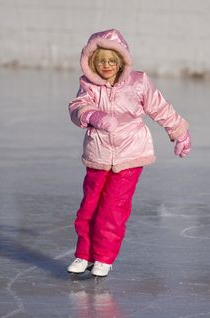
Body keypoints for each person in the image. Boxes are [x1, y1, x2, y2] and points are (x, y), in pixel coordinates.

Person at [67, 29, 191, 277]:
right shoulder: (88, 84)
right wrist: (94, 116)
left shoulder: (138, 82)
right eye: (101, 61)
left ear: (122, 61)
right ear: (92, 62)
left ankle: (103, 257)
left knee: (113, 208)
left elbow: (160, 108)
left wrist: (179, 133)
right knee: (88, 208)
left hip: (131, 154)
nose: (107, 66)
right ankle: (84, 254)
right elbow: (77, 107)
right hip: (98, 154)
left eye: (112, 61)